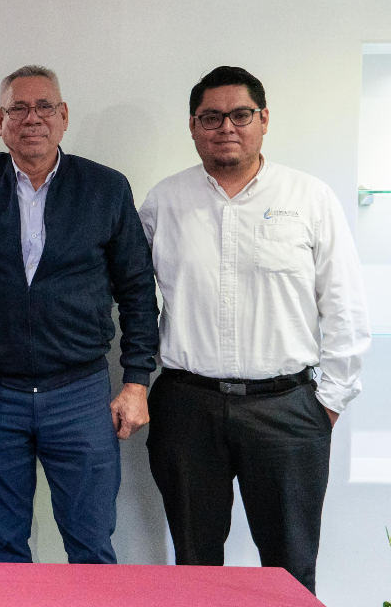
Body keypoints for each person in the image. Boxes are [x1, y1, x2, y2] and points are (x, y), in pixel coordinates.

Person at [139, 66, 369, 593]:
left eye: (241, 115)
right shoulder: (164, 202)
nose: (227, 127)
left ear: (264, 120)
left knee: (290, 569)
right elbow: (130, 297)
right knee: (195, 563)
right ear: (193, 126)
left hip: (287, 409)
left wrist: (328, 402)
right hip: (187, 407)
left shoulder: (309, 198)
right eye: (211, 117)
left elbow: (345, 306)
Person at [0, 65, 158, 564]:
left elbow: (137, 291)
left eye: (44, 107)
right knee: (2, 544)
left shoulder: (105, 188)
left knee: (91, 544)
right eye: (18, 108)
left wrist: (136, 381)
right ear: (0, 121)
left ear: (63, 116)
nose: (32, 118)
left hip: (78, 394)